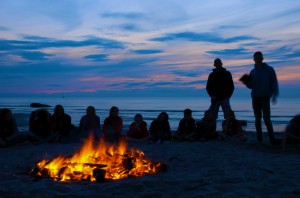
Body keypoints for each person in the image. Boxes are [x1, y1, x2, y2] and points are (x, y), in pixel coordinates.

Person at [241, 51, 279, 145]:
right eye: (256, 58)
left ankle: (272, 139)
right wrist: (246, 82)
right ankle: (259, 140)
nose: (258, 59)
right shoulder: (253, 71)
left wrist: (275, 95)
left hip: (265, 97)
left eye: (259, 57)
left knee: (266, 119)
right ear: (254, 60)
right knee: (257, 119)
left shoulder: (269, 69)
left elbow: (274, 82)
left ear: (262, 58)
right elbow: (251, 86)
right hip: (255, 97)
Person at [206, 58, 234, 123]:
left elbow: (231, 86)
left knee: (228, 115)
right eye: (216, 63)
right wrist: (212, 96)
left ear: (221, 64)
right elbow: (208, 87)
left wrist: (228, 96)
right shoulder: (211, 75)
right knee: (213, 116)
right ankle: (212, 130)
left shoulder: (227, 74)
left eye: (219, 63)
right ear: (214, 65)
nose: (218, 65)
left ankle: (228, 130)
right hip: (215, 99)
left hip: (225, 98)